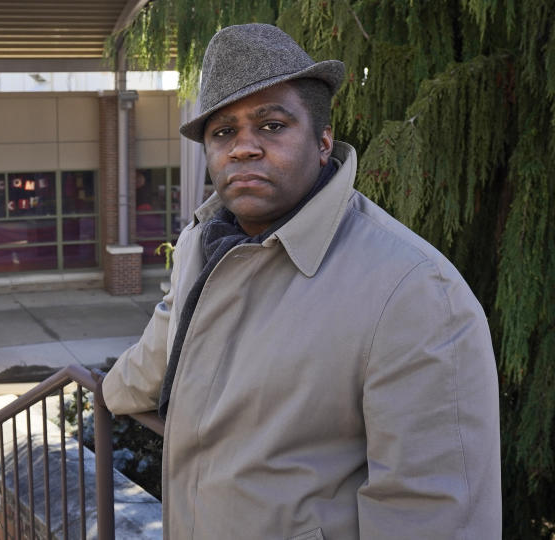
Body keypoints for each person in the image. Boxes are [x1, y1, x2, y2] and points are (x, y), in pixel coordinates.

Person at [101, 23, 501, 539]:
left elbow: (431, 517)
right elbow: (159, 355)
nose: (243, 148)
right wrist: (106, 390)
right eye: (223, 132)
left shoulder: (415, 292)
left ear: (323, 141)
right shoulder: (204, 246)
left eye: (271, 126)